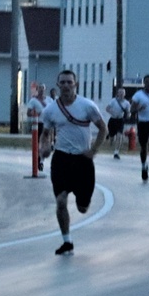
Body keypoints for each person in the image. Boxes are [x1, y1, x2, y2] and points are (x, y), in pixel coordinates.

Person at [39, 70, 107, 256]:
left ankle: (83, 200)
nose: (67, 85)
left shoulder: (87, 106)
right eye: (63, 82)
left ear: (75, 84)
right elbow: (45, 134)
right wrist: (43, 148)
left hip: (83, 160)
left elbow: (103, 128)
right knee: (61, 201)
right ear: (58, 85)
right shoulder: (50, 110)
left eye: (70, 82)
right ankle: (67, 241)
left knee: (82, 208)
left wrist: (93, 150)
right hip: (61, 158)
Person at [26, 84, 49, 171]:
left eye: (43, 88)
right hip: (39, 124)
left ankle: (41, 161)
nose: (41, 90)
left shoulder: (49, 100)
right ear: (37, 90)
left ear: (45, 90)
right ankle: (38, 161)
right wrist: (35, 114)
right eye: (40, 88)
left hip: (48, 125)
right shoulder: (33, 101)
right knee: (39, 143)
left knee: (46, 145)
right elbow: (28, 113)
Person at [104, 87, 131, 159]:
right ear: (118, 93)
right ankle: (110, 137)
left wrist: (128, 115)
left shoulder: (127, 103)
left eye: (123, 92)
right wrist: (112, 113)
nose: (121, 94)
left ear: (125, 94)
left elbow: (128, 112)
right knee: (112, 137)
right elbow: (107, 108)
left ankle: (116, 152)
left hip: (120, 120)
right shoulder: (113, 101)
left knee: (119, 136)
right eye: (120, 92)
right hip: (113, 120)